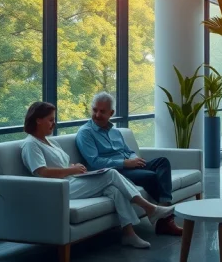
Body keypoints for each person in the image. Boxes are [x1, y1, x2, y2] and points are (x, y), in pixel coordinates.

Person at [21, 102, 173, 249]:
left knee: (115, 189)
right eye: (50, 120)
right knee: (111, 173)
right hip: (58, 189)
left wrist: (72, 167)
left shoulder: (49, 141)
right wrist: (71, 170)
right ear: (38, 120)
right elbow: (42, 172)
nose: (54, 124)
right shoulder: (31, 144)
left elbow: (59, 165)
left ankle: (129, 234)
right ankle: (150, 209)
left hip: (71, 181)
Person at [76, 92, 183, 236]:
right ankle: (166, 219)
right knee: (151, 176)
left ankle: (163, 210)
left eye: (102, 111)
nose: (97, 114)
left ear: (111, 113)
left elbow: (128, 150)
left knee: (162, 162)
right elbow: (94, 163)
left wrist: (134, 159)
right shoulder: (85, 133)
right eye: (95, 110)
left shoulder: (115, 132)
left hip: (129, 164)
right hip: (113, 171)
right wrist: (125, 163)